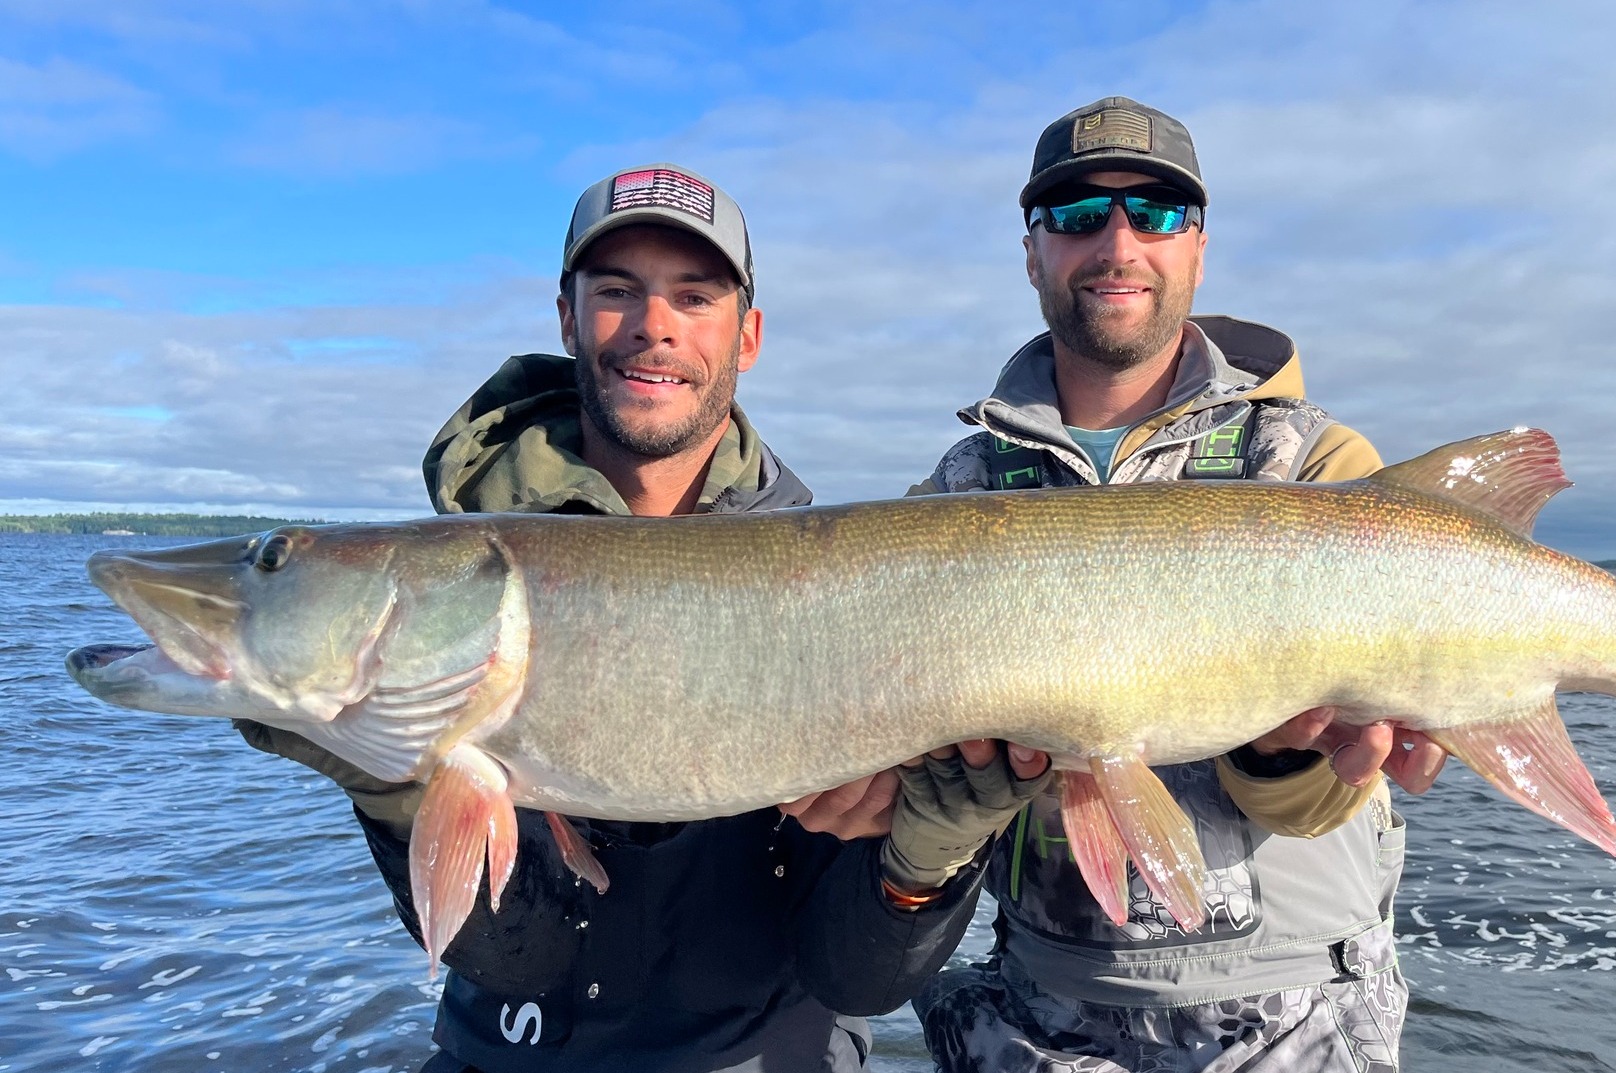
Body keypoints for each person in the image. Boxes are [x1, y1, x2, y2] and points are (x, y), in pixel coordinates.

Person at [236, 163, 1049, 1072]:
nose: (654, 325)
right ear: (567, 317)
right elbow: (522, 955)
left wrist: (925, 856)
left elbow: (855, 975)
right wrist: (396, 785)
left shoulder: (838, 583)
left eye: (693, 296)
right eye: (617, 291)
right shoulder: (456, 578)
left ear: (748, 335)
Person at [908, 98, 1446, 1073]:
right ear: (1032, 252)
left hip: (1289, 1015)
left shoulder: (1310, 458)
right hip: (1037, 1012)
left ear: (1196, 245)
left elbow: (1329, 795)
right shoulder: (955, 489)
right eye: (1074, 215)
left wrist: (1291, 752)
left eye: (1153, 212)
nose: (1115, 241)